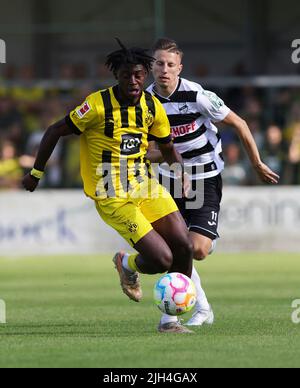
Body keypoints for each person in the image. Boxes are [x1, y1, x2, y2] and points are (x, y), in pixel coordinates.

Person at [22, 40, 194, 334]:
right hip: (112, 195)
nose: (133, 81)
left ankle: (170, 321)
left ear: (146, 75)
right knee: (161, 258)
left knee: (184, 246)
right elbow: (54, 131)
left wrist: (181, 174)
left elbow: (167, 146)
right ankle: (127, 264)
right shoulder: (97, 106)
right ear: (117, 76)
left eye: (139, 75)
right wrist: (36, 172)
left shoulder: (152, 106)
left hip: (145, 185)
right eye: (127, 75)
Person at [146, 38, 279, 326]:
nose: (164, 70)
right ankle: (195, 310)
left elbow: (240, 124)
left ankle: (206, 243)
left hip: (204, 176)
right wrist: (163, 157)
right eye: (159, 63)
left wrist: (256, 163)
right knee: (173, 250)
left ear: (179, 68)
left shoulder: (197, 95)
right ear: (151, 67)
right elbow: (148, 151)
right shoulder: (145, 103)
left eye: (170, 64)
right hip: (169, 179)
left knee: (198, 250)